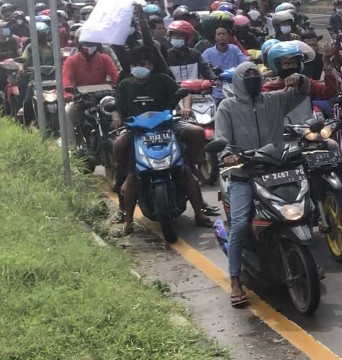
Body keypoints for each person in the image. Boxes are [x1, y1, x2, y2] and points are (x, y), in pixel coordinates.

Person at [214, 61, 311, 307]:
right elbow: (221, 139)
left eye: (256, 74)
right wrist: (227, 154)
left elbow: (302, 91)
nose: (253, 78)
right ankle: (235, 280)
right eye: (248, 75)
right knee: (238, 226)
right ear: (238, 81)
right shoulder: (227, 107)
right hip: (244, 174)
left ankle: (305, 258)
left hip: (276, 169)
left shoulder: (273, 100)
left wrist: (298, 78)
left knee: (304, 208)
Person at [111, 44, 217, 235]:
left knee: (193, 142)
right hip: (137, 131)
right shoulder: (125, 85)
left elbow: (183, 94)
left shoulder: (162, 80)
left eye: (141, 64)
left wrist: (186, 108)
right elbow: (117, 108)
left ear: (150, 65)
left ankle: (199, 211)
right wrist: (117, 118)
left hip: (166, 126)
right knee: (126, 163)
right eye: (135, 65)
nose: (138, 68)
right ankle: (127, 220)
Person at [63, 40, 119, 146]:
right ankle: (71, 147)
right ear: (79, 46)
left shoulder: (104, 59)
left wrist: (121, 87)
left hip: (104, 98)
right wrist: (68, 95)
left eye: (91, 44)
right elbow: (66, 79)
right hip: (82, 99)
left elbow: (115, 76)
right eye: (85, 44)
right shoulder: (71, 61)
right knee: (67, 112)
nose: (88, 47)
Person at [201, 27, 248, 101]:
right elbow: (203, 70)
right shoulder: (207, 53)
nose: (221, 36)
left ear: (229, 36)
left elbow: (244, 63)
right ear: (215, 37)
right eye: (218, 34)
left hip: (236, 90)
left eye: (224, 34)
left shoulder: (235, 49)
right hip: (216, 92)